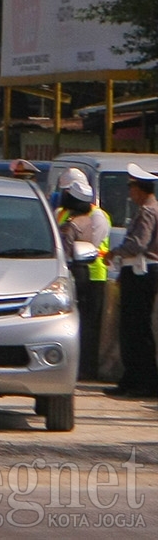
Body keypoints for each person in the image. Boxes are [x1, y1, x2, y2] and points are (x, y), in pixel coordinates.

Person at [54, 168, 111, 382]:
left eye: (67, 191)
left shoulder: (97, 216)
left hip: (93, 273)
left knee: (89, 325)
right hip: (68, 272)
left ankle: (88, 369)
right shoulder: (65, 212)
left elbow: (92, 245)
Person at [111, 163, 158, 398]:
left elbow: (139, 244)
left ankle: (142, 381)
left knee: (135, 330)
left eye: (131, 188)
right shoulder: (148, 210)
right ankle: (132, 379)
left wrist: (116, 252)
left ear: (140, 189)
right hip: (137, 272)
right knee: (133, 329)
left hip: (142, 273)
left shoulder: (148, 212)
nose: (130, 193)